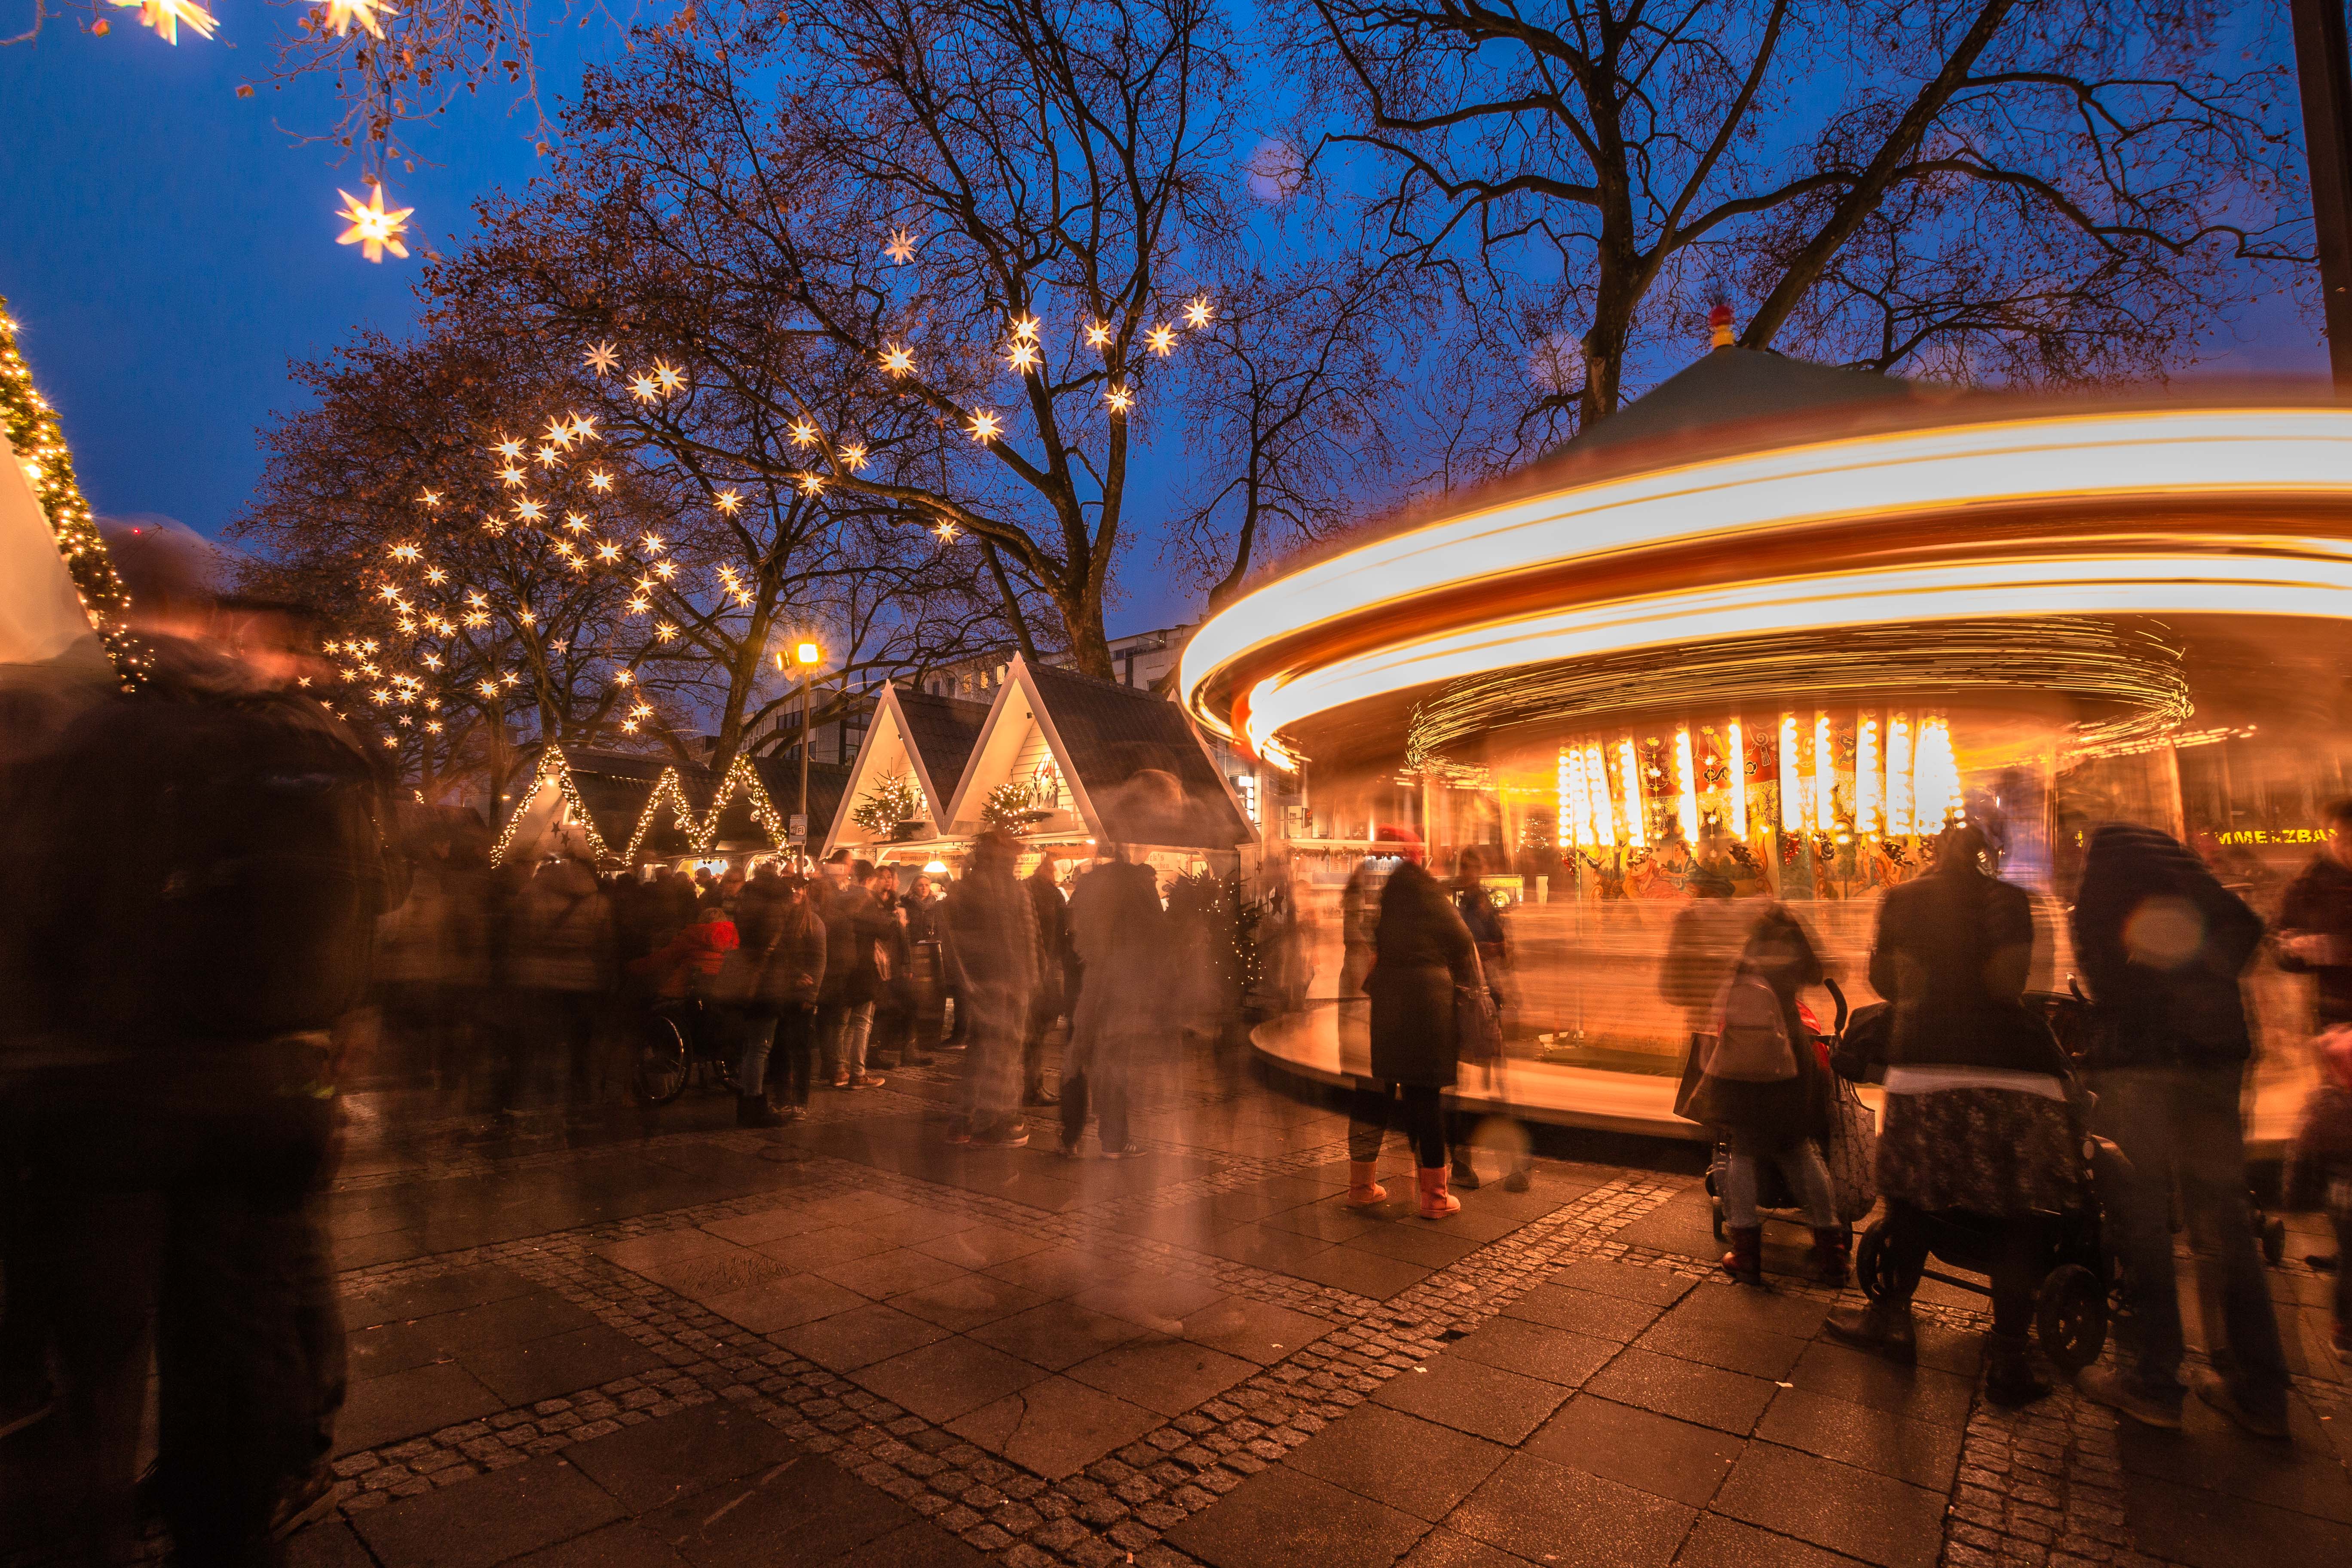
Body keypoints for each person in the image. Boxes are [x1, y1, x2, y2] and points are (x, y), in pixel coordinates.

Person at [1, 532, 397, 1562]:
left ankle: (125, 1512)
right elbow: (346, 912)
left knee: (95, 1359)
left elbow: (39, 904)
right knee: (237, 1337)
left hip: (115, 1088)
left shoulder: (78, 723)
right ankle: (232, 1510)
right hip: (257, 1085)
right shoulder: (300, 741)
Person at [1826, 823, 2076, 1405]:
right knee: (2018, 1211)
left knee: (1913, 1201)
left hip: (1928, 1062)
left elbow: (1890, 982)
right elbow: (2010, 985)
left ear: (1935, 852)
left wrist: (1927, 980)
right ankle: (2010, 1356)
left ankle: (1892, 1323)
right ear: (1991, 855)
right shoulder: (2014, 902)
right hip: (2015, 1071)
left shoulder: (1904, 899)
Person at [2071, 822, 2291, 1438]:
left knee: (2140, 1216)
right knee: (2223, 1223)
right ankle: (2260, 1390)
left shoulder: (2107, 869)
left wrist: (2143, 995)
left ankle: (2151, 1378)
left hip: (2144, 1063)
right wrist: (2202, 983)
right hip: (2217, 1057)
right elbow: (2247, 928)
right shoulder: (2190, 876)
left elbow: (2101, 972)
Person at [1687, 905, 1844, 1288]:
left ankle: (1746, 1253)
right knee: (1799, 1149)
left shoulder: (1749, 958)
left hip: (1749, 1064)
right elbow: (1818, 972)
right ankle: (1832, 1252)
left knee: (1741, 1152)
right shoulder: (1798, 956)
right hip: (1793, 1055)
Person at [1349, 827, 1480, 1219]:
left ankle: (1361, 1187)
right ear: (1417, 855)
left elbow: (1372, 937)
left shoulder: (1385, 894)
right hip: (1427, 1003)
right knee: (1425, 1098)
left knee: (1377, 1094)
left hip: (1389, 1000)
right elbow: (1461, 941)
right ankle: (1435, 1198)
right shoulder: (1426, 889)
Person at [1061, 843, 1166, 1158]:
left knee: (1077, 1057)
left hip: (1085, 980)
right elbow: (1157, 937)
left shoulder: (1091, 882)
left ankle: (1070, 1136)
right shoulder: (1139, 884)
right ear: (1134, 848)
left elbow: (1071, 930)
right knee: (1115, 1059)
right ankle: (1114, 1140)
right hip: (1122, 984)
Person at [504, 828, 615, 1113]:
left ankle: (534, 1099)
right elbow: (605, 944)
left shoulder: (532, 894)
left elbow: (518, 937)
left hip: (539, 978)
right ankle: (580, 1100)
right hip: (583, 980)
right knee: (580, 1044)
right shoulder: (597, 899)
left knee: (540, 1042)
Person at [940, 830, 1038, 1145]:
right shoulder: (1012, 889)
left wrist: (966, 980)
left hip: (984, 983)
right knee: (1005, 1051)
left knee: (982, 1051)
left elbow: (954, 941)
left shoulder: (964, 889)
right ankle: (996, 1122)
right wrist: (1032, 978)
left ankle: (965, 1120)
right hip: (1008, 981)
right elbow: (1028, 938)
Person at [1447, 848, 1532, 1193]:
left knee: (1495, 1083)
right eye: (1467, 867)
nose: (1472, 873)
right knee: (1464, 1085)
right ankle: (1464, 1161)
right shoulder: (1453, 904)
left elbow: (1505, 953)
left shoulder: (1485, 905)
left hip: (1483, 1000)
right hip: (1460, 999)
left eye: (1476, 867)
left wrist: (1497, 952)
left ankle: (1505, 1163)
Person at [721, 867, 826, 1124]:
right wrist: (795, 978)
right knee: (763, 1047)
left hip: (756, 986)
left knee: (759, 1047)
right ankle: (755, 1104)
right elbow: (778, 955)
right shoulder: (775, 916)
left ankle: (759, 1102)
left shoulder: (746, 908)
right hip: (770, 988)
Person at [2286, 1028, 2352, 1364]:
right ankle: (2344, 1333)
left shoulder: (2325, 1102)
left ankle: (2344, 1332)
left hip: (2342, 1197)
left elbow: (2303, 1148)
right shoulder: (2329, 1103)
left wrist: (2295, 1193)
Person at [2278, 799, 2352, 1031]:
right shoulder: (2307, 887)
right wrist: (2294, 949)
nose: (2347, 849)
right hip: (2340, 1019)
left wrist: (2339, 949)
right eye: (2343, 840)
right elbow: (2279, 948)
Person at [815, 853, 886, 1090]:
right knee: (861, 1022)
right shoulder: (860, 901)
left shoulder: (835, 900)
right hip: (859, 967)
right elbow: (881, 930)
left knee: (841, 1022)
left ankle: (838, 1070)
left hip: (840, 968)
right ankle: (857, 1073)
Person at [1020, 858, 1070, 1106]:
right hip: (1043, 967)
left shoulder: (1029, 890)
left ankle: (1033, 1084)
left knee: (1036, 1031)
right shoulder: (1045, 893)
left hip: (1037, 966)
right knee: (1037, 1030)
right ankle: (1032, 1086)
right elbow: (1064, 931)